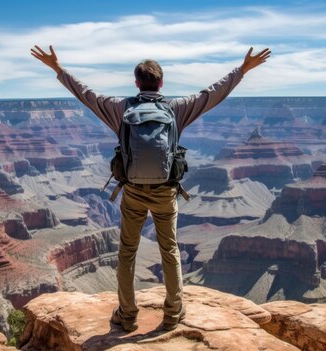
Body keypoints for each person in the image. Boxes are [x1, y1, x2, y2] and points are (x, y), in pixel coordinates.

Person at [30, 44, 271, 332]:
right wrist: (242, 69)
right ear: (161, 83)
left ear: (136, 83)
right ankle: (172, 314)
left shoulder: (121, 108)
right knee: (169, 250)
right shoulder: (176, 109)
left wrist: (58, 68)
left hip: (132, 191)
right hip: (166, 192)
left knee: (127, 252)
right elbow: (212, 95)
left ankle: (128, 315)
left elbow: (86, 94)